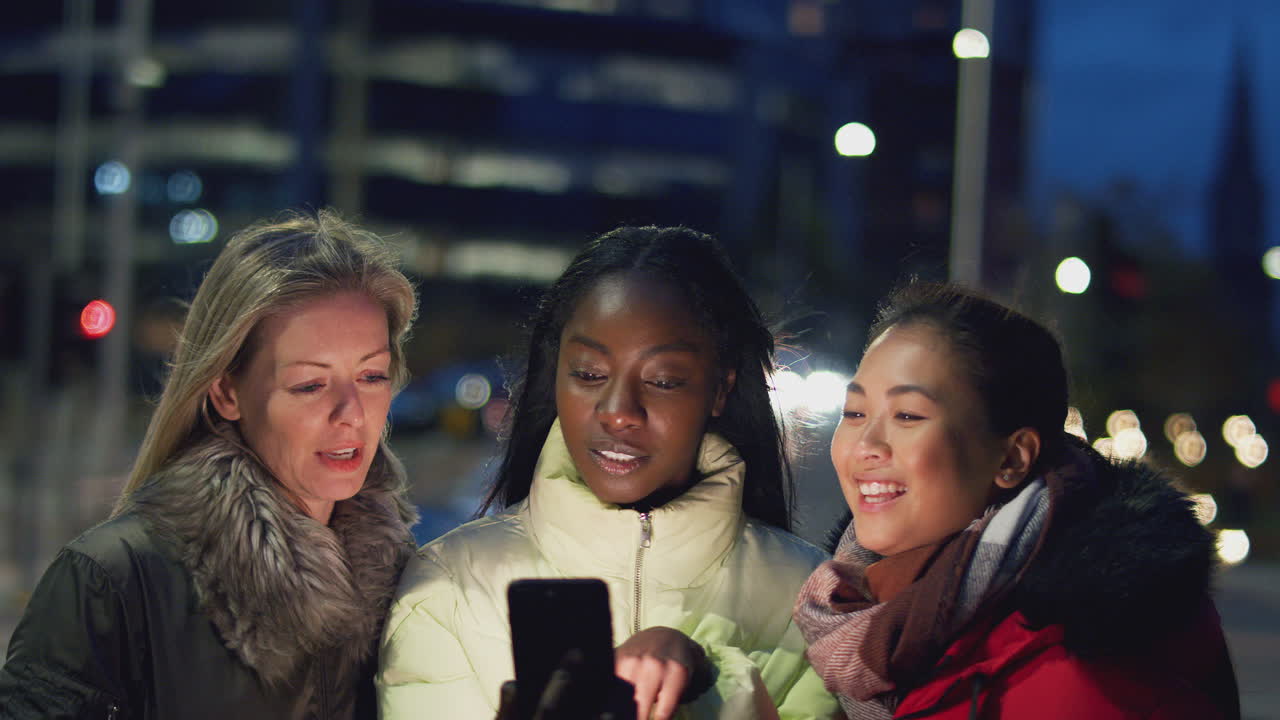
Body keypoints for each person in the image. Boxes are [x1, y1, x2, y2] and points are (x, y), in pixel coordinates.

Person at [378, 226, 839, 720]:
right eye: (589, 374)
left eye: (663, 381)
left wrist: (708, 679)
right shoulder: (448, 586)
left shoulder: (812, 601)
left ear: (721, 388)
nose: (618, 411)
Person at [0, 211, 420, 719]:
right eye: (310, 385)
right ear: (226, 391)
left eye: (372, 376)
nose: (350, 413)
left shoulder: (408, 588)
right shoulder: (115, 580)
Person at [794, 281, 1240, 720]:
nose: (865, 444)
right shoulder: (853, 610)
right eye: (854, 413)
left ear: (1011, 457)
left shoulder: (1092, 673)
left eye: (908, 415)